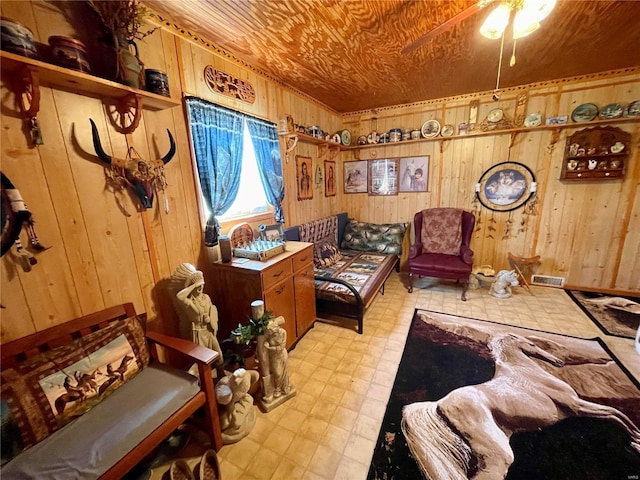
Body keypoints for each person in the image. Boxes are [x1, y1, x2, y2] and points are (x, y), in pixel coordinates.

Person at [176, 267, 224, 376]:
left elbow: (213, 312)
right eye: (198, 285)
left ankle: (221, 374)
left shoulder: (206, 298)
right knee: (203, 359)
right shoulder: (189, 302)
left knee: (218, 354)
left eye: (202, 284)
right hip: (198, 332)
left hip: (209, 330)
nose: (201, 287)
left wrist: (210, 319)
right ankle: (206, 380)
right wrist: (193, 285)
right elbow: (179, 296)